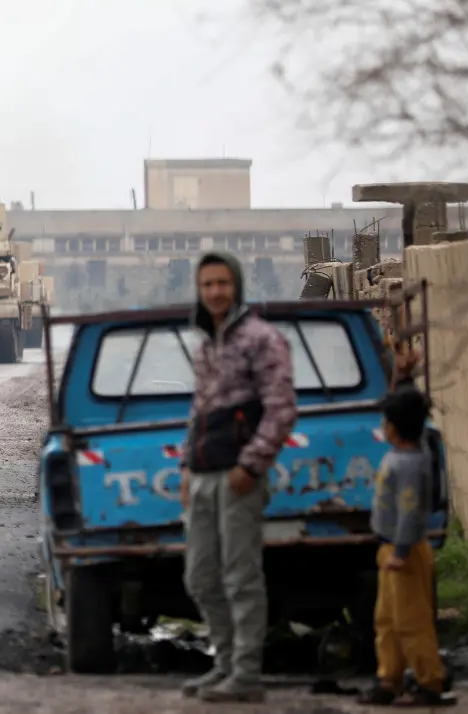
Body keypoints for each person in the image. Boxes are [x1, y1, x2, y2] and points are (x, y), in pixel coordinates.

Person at [178, 250, 298, 703]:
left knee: (240, 578)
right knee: (200, 578)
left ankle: (246, 674)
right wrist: (186, 467)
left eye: (222, 284)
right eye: (207, 285)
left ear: (237, 286)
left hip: (237, 477)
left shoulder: (261, 339)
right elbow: (200, 410)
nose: (214, 292)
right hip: (204, 475)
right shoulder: (208, 344)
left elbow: (281, 408)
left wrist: (252, 464)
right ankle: (224, 663)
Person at [357, 375, 454, 707]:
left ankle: (430, 682)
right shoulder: (409, 453)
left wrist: (400, 551)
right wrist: (403, 378)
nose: (383, 426)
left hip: (406, 552)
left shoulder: (411, 464)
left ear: (395, 428)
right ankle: (390, 678)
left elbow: (411, 514)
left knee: (412, 621)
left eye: (386, 421)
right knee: (387, 620)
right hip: (390, 550)